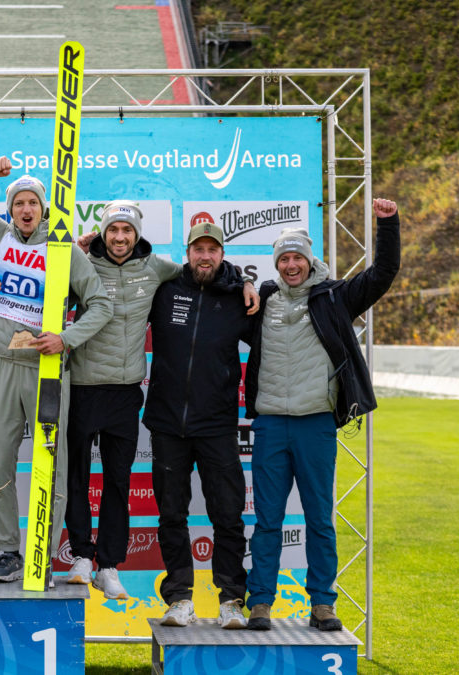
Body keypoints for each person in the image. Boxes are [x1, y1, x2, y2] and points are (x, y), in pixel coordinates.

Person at [68, 204, 256, 604]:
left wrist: (242, 281)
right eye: (113, 230)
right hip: (90, 389)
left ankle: (112, 566)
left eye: (127, 231)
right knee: (79, 480)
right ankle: (88, 557)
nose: (120, 237)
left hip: (143, 397)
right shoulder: (90, 266)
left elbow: (212, 273)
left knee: (120, 483)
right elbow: (45, 289)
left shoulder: (160, 271)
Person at [0, 157, 112, 583]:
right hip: (4, 366)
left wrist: (67, 339)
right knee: (0, 463)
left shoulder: (64, 249)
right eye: (19, 203)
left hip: (48, 370)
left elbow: (102, 304)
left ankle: (41, 549)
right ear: (10, 209)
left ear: (44, 209)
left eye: (33, 203)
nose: (26, 210)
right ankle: (8, 553)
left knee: (51, 464)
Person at [244, 199, 401, 632]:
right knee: (267, 522)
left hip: (315, 423)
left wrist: (388, 224)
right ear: (276, 264)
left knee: (319, 519)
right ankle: (259, 603)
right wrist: (241, 283)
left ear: (310, 260)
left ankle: (323, 604)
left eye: (297, 258)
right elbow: (210, 285)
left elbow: (383, 274)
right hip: (271, 423)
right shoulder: (264, 300)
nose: (291, 265)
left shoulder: (335, 296)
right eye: (284, 258)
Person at [141, 220, 258, 629]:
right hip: (167, 425)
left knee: (227, 516)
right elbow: (123, 272)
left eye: (212, 250)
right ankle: (179, 599)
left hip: (218, 426)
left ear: (222, 255)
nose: (204, 256)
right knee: (171, 516)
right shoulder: (166, 289)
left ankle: (231, 600)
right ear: (187, 252)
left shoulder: (237, 297)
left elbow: (271, 336)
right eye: (198, 249)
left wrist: (244, 282)